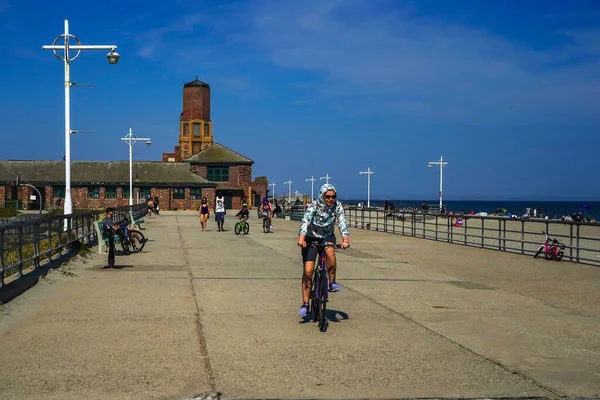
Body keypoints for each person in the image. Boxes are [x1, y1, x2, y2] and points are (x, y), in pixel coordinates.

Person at [297, 184, 349, 317]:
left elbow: (342, 222)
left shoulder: (337, 206)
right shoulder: (314, 206)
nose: (331, 199)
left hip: (327, 236)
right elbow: (306, 221)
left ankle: (332, 282)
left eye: (333, 196)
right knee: (308, 271)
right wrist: (301, 238)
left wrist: (345, 240)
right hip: (311, 237)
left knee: (330, 251)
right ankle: (305, 304)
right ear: (322, 196)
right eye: (328, 197)